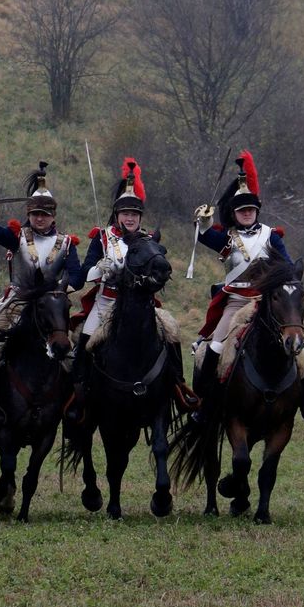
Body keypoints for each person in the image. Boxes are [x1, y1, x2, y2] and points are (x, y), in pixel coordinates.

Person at [192, 149, 304, 425]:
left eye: (251, 209)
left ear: (257, 211)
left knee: (302, 349)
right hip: (236, 301)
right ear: (234, 213)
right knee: (214, 348)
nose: (247, 214)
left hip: (265, 302)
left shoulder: (271, 236)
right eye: (242, 210)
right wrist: (204, 220)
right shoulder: (226, 238)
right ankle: (204, 403)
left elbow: (288, 269)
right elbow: (204, 236)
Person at [66, 157, 192, 424]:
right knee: (84, 341)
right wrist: (102, 267)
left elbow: (160, 273)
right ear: (117, 215)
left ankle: (178, 388)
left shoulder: (148, 241)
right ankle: (79, 396)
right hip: (105, 304)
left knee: (171, 332)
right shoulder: (101, 237)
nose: (130, 218)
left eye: (134, 214)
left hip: (141, 305)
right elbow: (87, 275)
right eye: (125, 214)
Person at [0, 161, 84, 371]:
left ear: (53, 216)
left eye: (45, 214)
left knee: (70, 354)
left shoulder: (66, 243)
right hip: (17, 300)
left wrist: (58, 292)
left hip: (52, 304)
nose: (40, 218)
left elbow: (77, 276)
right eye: (36, 214)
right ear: (29, 215)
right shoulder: (18, 236)